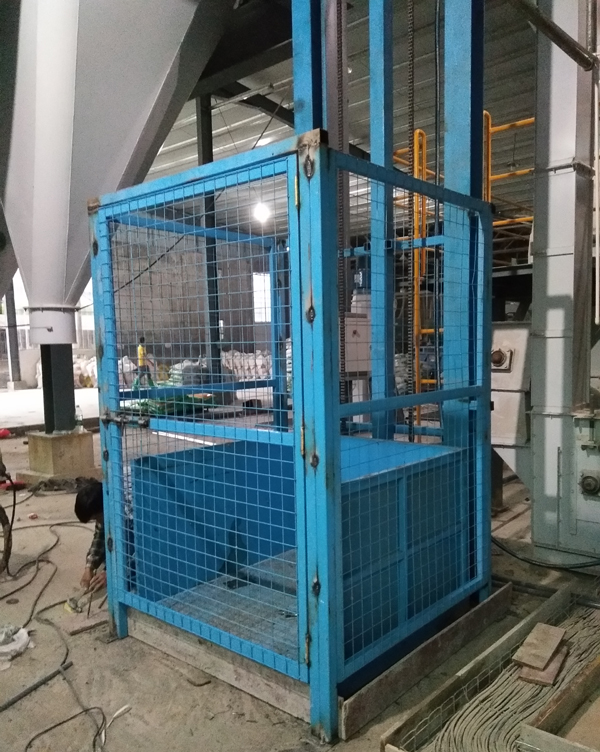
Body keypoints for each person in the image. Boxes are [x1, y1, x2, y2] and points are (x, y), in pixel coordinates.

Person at [75, 480, 107, 592]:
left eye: (96, 518)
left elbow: (137, 550)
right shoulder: (104, 510)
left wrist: (110, 573)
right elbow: (100, 537)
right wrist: (89, 567)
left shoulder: (129, 514)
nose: (98, 521)